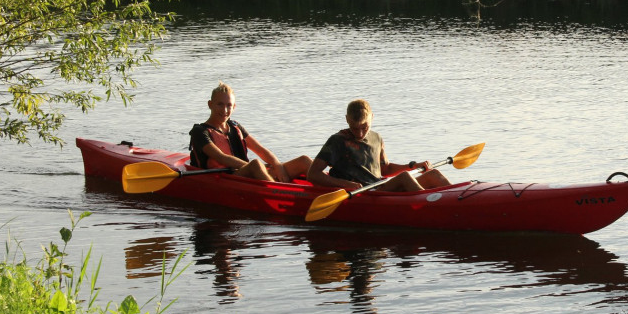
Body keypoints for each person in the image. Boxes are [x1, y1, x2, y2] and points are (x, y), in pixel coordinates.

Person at [307, 98, 451, 192]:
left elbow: (385, 168)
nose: (360, 134)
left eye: (365, 127)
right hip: (364, 192)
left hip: (379, 186)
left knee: (434, 175)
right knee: (405, 177)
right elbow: (313, 174)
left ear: (372, 117)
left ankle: (462, 197)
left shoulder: (376, 138)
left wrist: (412, 166)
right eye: (355, 128)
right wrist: (345, 184)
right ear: (347, 120)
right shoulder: (337, 141)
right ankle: (430, 203)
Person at [189, 82, 311, 182]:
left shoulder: (235, 126)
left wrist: (278, 166)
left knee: (304, 161)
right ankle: (281, 192)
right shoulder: (200, 132)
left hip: (247, 172)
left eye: (229, 105)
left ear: (234, 107)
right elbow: (221, 158)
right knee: (256, 164)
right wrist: (255, 168)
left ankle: (329, 189)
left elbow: (260, 149)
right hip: (225, 178)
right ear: (210, 104)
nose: (225, 110)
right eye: (220, 104)